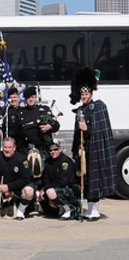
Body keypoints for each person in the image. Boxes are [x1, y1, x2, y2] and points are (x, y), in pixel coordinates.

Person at [70, 67, 117, 221]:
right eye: (82, 94)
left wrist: (87, 128)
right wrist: (74, 148)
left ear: (91, 93)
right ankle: (89, 209)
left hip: (96, 148)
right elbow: (77, 133)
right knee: (87, 178)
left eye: (86, 94)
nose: (84, 96)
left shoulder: (99, 106)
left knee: (95, 177)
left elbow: (101, 129)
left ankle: (94, 210)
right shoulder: (80, 110)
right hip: (84, 149)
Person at [0, 137, 33, 220]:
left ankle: (21, 210)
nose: (7, 150)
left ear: (14, 148)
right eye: (5, 147)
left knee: (29, 191)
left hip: (17, 190)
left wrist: (9, 187)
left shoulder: (22, 159)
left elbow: (26, 178)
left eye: (9, 147)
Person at [37, 140, 79, 220]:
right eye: (51, 150)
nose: (53, 152)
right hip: (55, 187)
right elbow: (46, 179)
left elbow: (63, 181)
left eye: (55, 149)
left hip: (69, 189)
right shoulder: (48, 161)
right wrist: (44, 189)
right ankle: (58, 209)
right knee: (38, 193)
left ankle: (69, 209)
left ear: (60, 149)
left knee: (50, 192)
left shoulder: (65, 162)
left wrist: (46, 189)